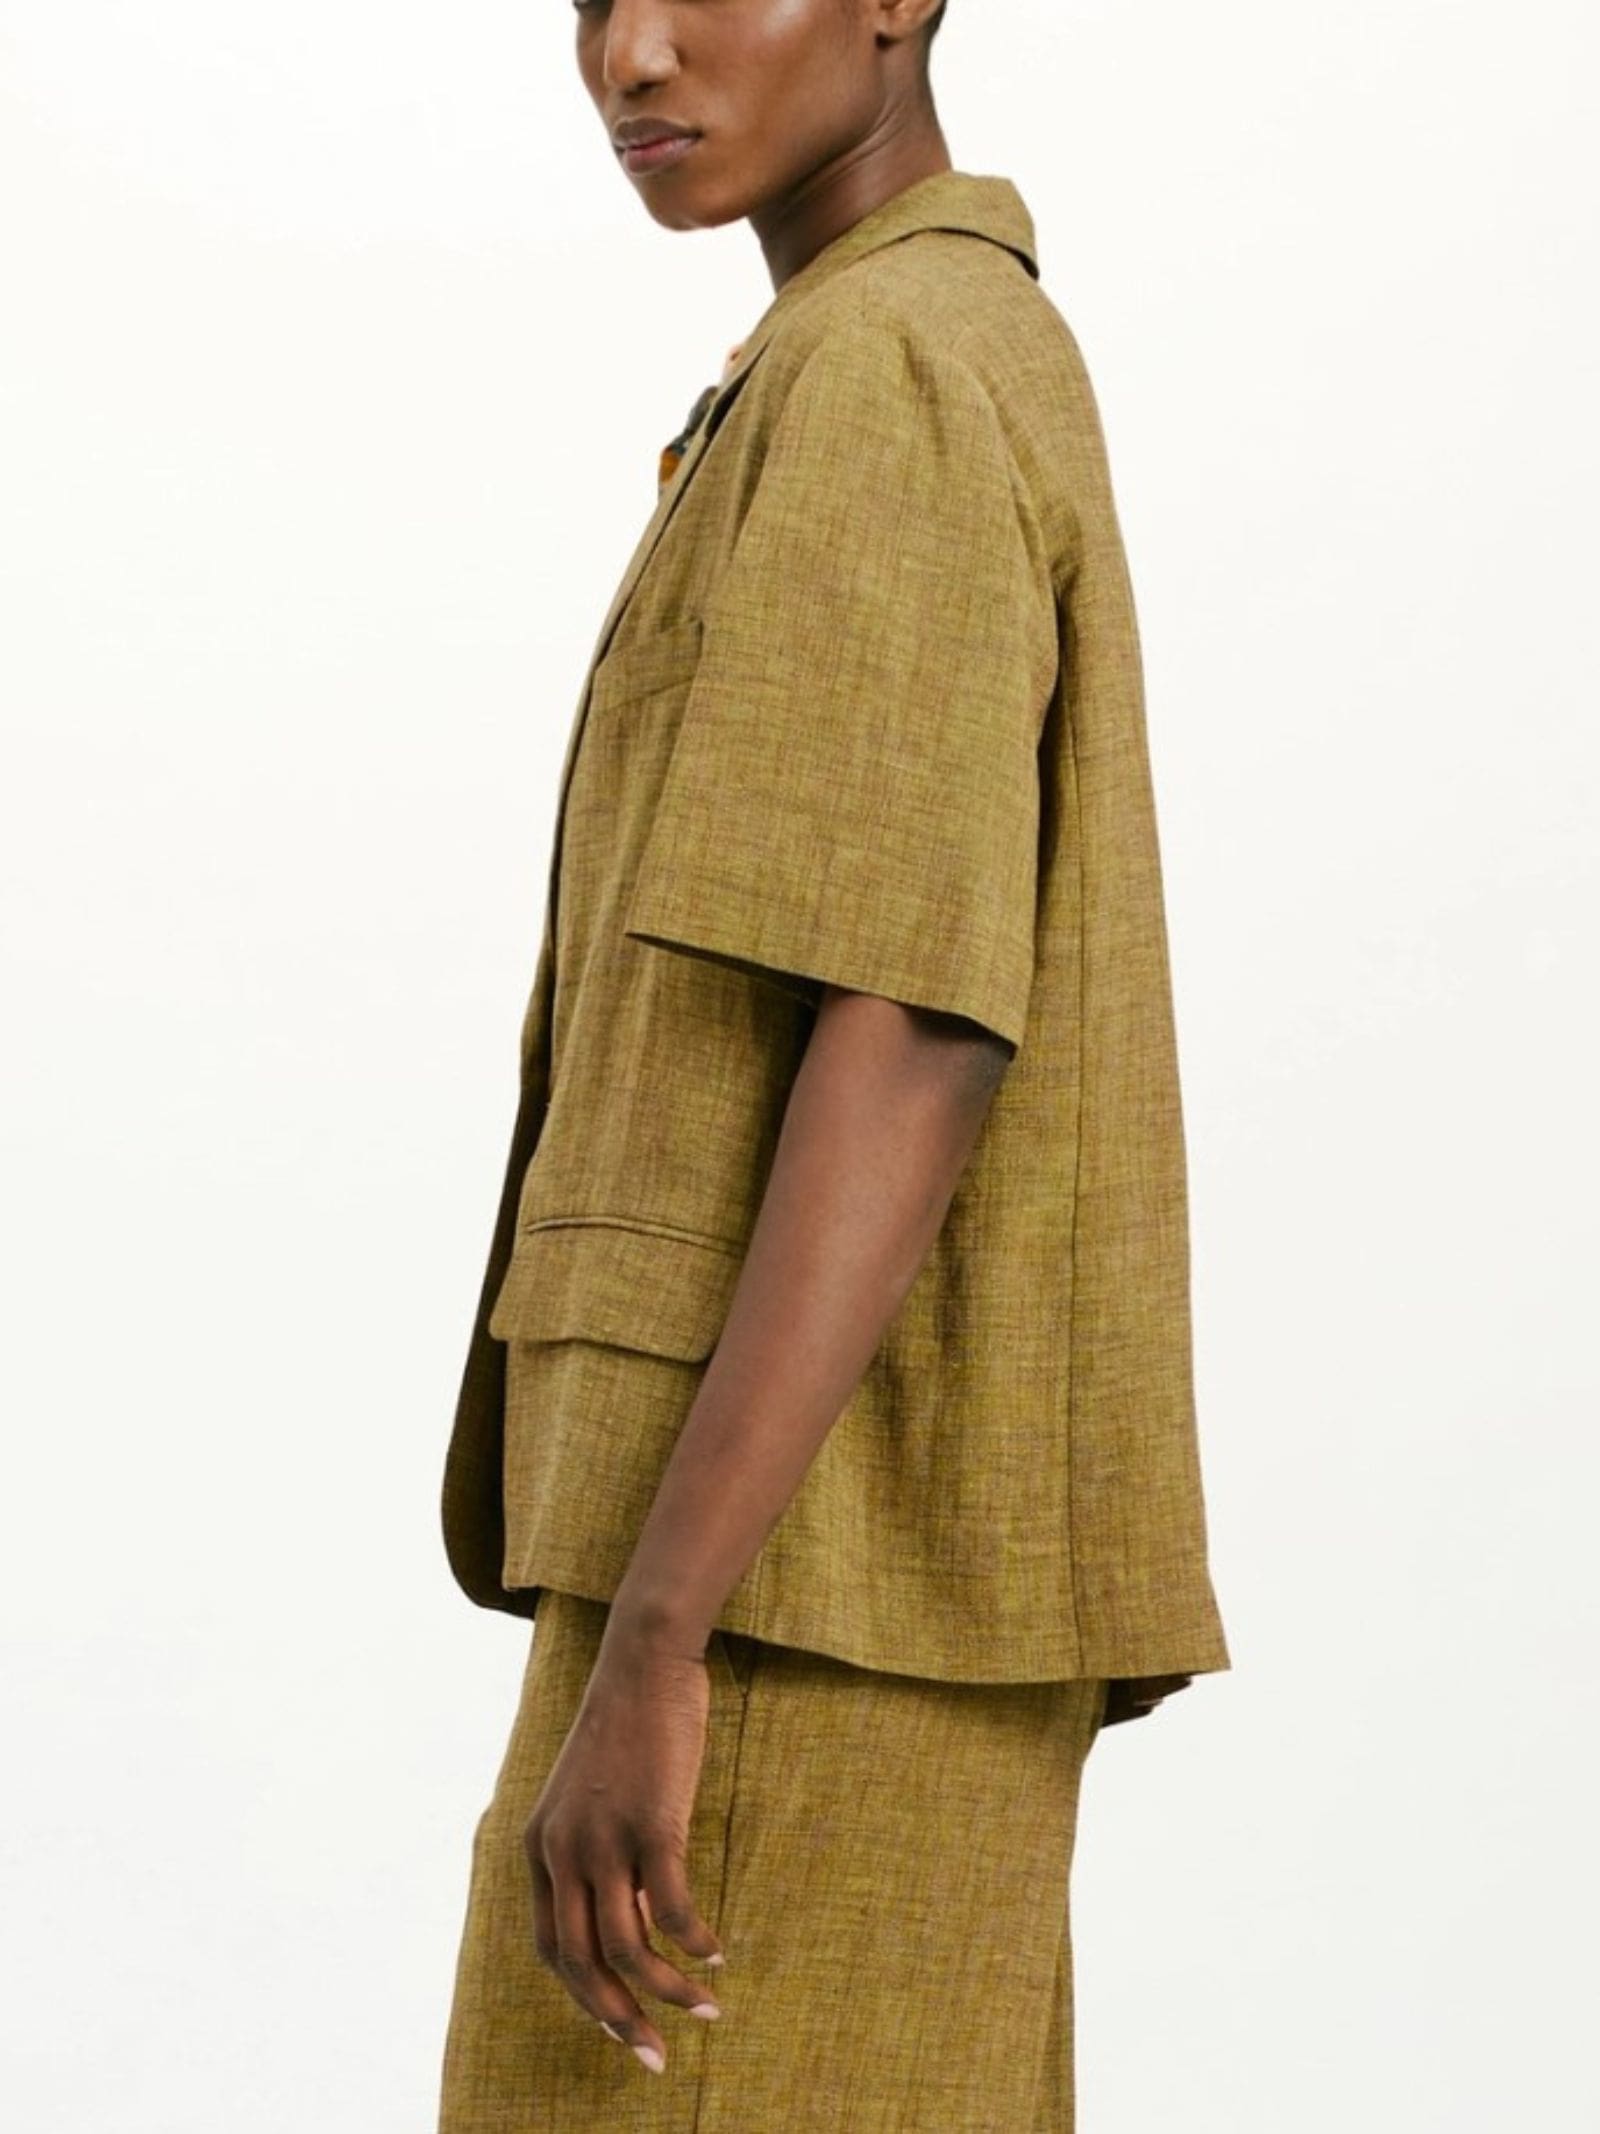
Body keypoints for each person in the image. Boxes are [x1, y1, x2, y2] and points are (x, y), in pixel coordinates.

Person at [436, 2, 1231, 2127]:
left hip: (789, 1596)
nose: (631, 53)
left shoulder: (889, 363)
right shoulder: (891, 350)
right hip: (817, 1571)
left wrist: (661, 1639)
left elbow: (911, 1025)